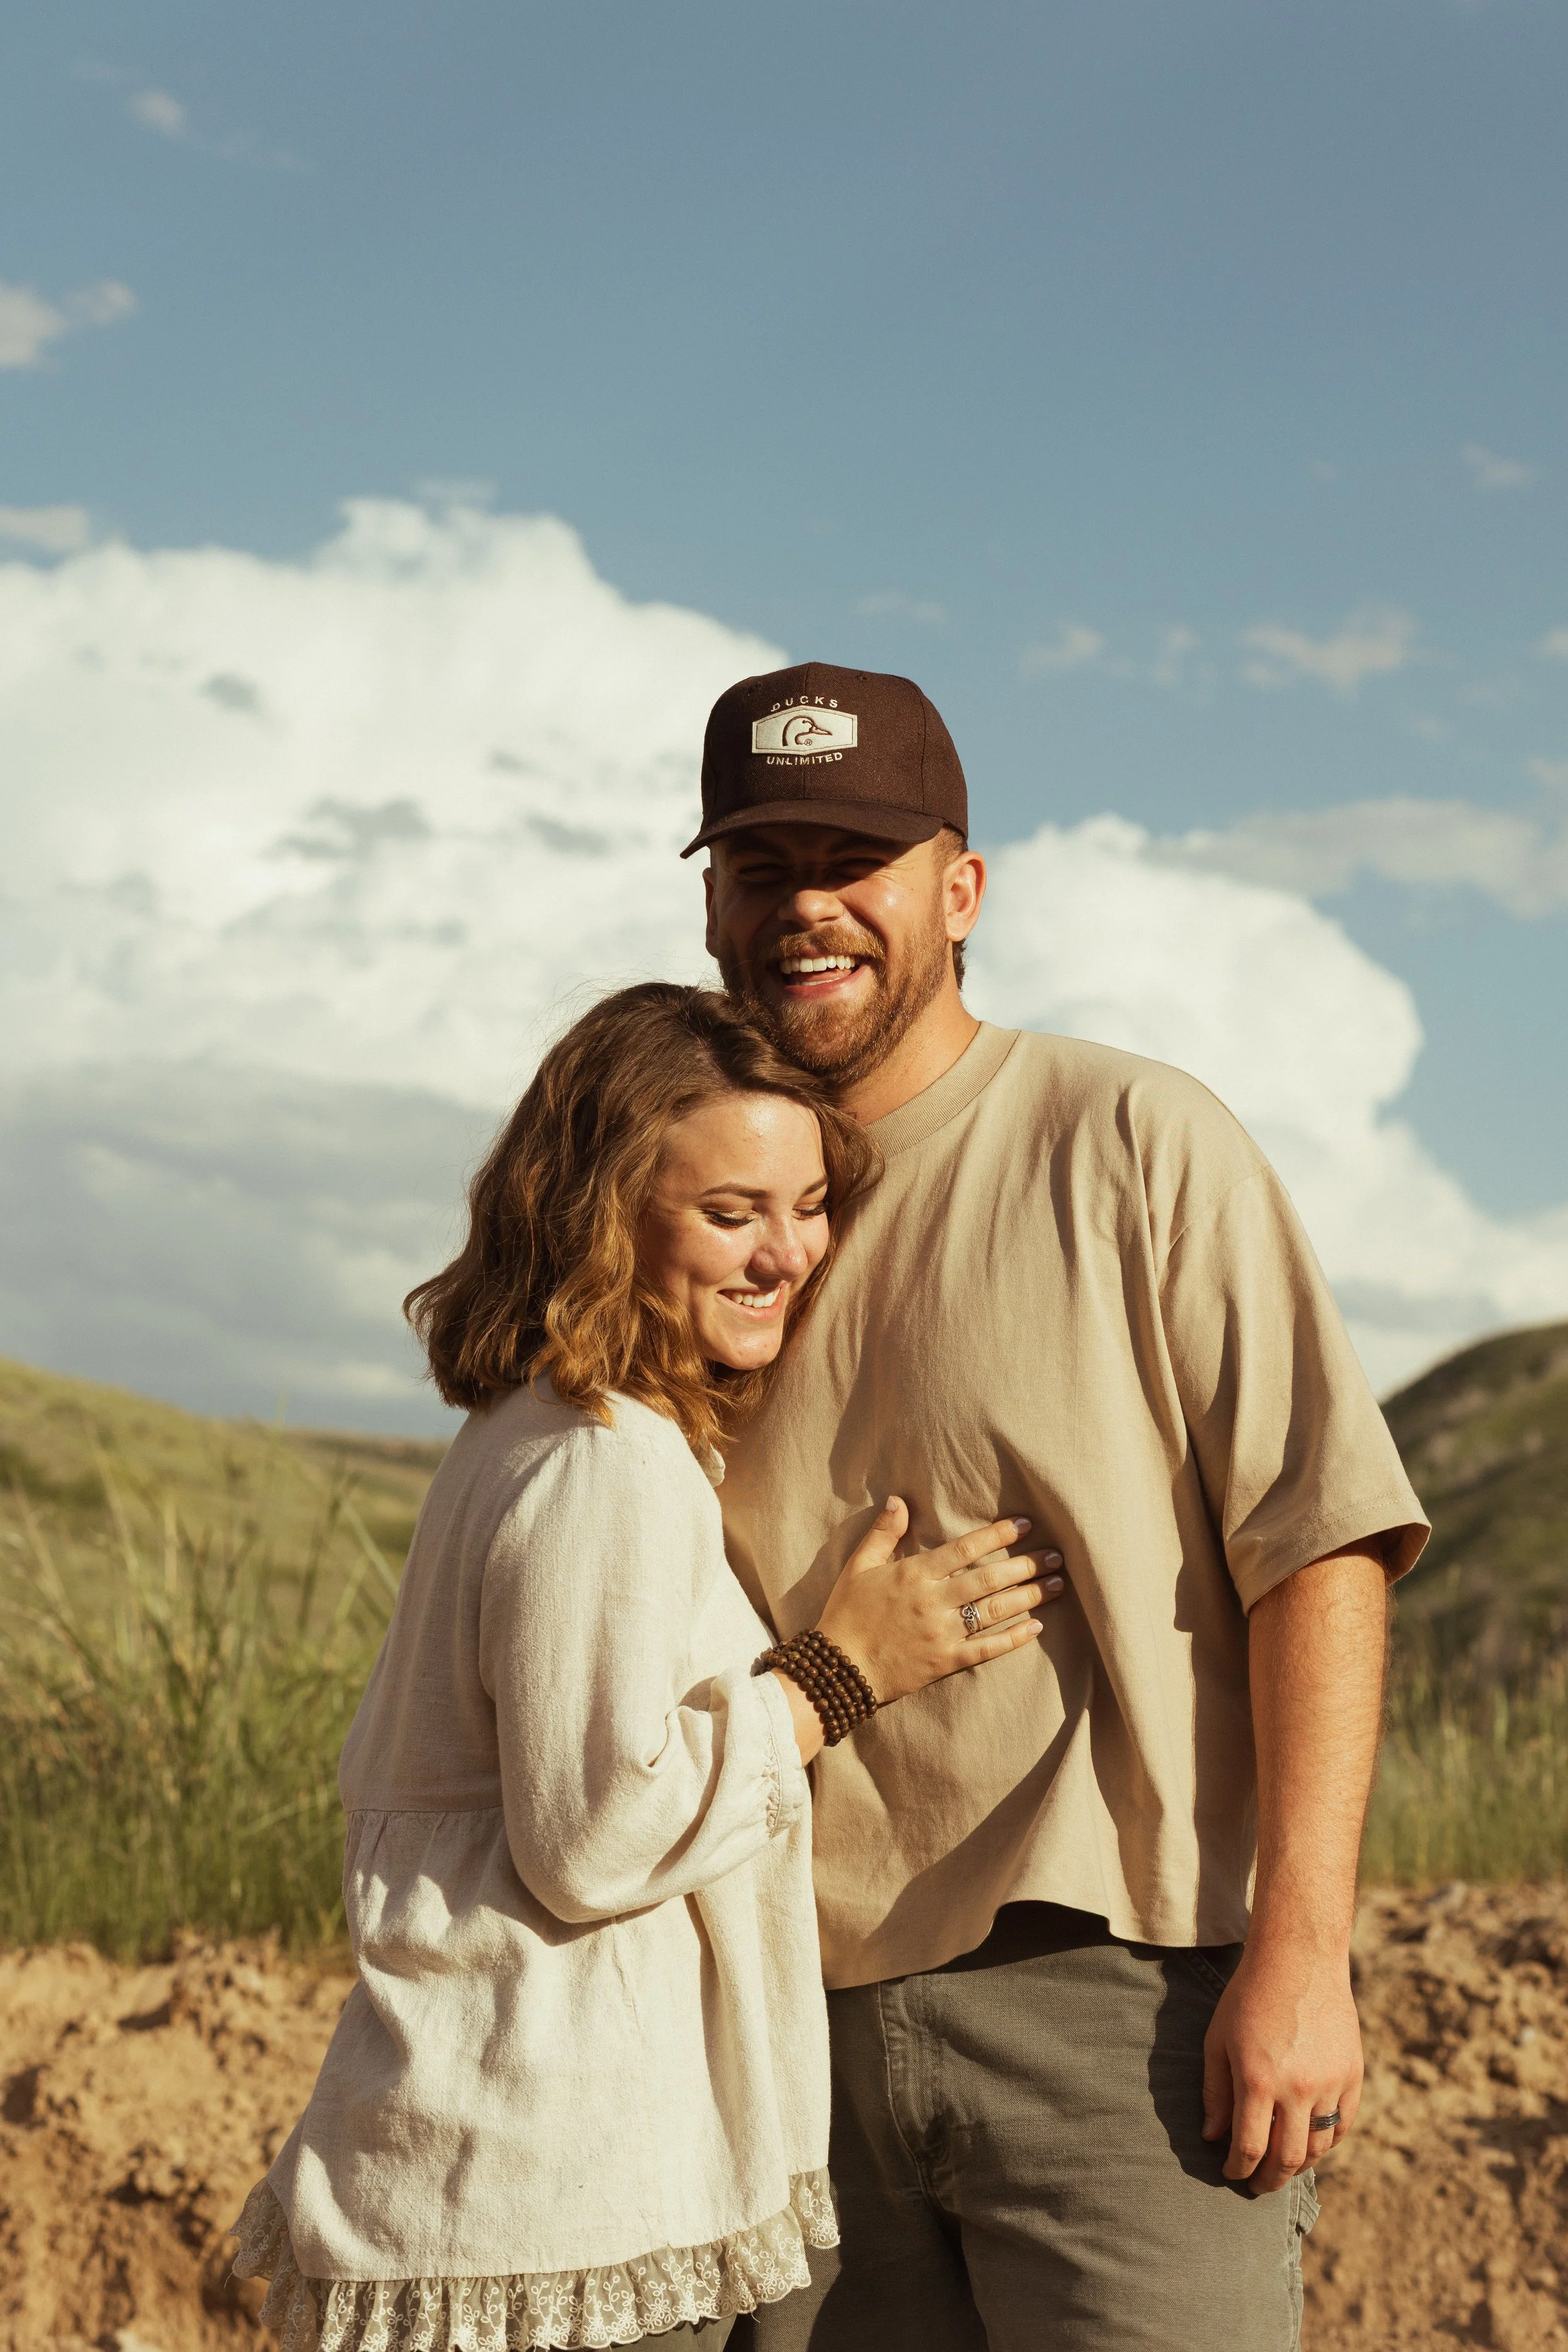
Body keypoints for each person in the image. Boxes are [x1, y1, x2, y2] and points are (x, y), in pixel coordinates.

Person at [691, 662, 1431, 2352]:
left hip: (1117, 2015)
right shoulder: (698, 1220)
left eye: (851, 857)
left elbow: (1316, 1539)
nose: (803, 905)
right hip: (770, 2044)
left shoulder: (1131, 1139)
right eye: (758, 865)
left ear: (958, 889)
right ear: (714, 903)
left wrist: (1300, 1954)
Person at [230, 982, 1062, 2352]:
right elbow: (593, 1834)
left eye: (806, 1208)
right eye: (730, 1213)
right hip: (545, 2180)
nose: (783, 1255)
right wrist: (839, 1673)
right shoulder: (605, 1460)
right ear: (600, 1217)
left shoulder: (531, 1435)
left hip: (507, 2170)